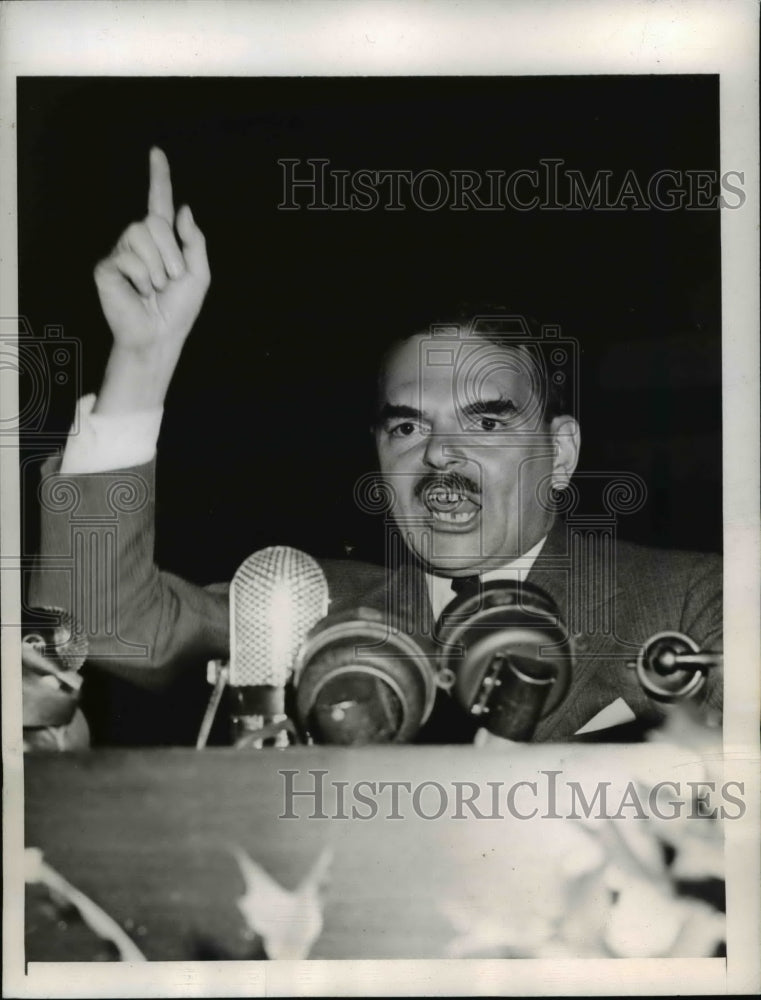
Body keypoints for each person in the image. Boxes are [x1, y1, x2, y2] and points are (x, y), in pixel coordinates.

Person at [29, 149, 722, 744]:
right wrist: (142, 360)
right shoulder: (306, 608)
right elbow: (94, 620)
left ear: (561, 454)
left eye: (485, 424)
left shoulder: (688, 604)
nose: (440, 456)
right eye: (408, 427)